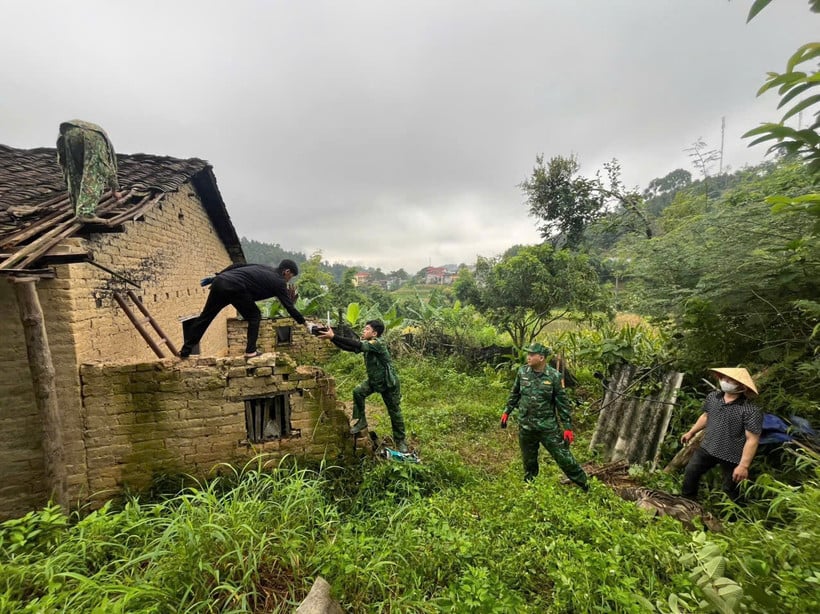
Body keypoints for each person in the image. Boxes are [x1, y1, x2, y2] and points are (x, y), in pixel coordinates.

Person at [501, 343, 589, 490]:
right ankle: (530, 487)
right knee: (529, 461)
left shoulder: (554, 376)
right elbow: (515, 393)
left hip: (547, 427)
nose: (528, 357)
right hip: (526, 426)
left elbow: (562, 404)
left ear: (541, 357)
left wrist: (567, 427)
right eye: (528, 354)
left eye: (531, 355)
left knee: (564, 458)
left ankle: (585, 485)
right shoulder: (522, 372)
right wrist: (506, 411)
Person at [180, 259, 308, 359]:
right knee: (255, 316)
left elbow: (237, 266)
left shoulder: (265, 268)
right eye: (291, 275)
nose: (290, 279)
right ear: (286, 271)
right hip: (235, 287)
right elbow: (289, 307)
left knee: (205, 317)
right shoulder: (279, 282)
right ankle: (250, 351)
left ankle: (185, 351)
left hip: (220, 282)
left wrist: (218, 276)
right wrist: (304, 322)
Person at [318, 320, 408, 453]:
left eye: (366, 329)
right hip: (374, 380)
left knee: (394, 411)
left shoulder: (377, 344)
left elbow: (357, 344)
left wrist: (334, 336)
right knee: (358, 392)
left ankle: (400, 440)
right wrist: (332, 339)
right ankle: (361, 420)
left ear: (374, 333)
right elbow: (350, 347)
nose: (363, 331)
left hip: (388, 382)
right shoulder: (367, 344)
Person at [680, 368, 763, 502]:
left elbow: (752, 439)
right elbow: (706, 416)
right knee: (691, 473)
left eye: (730, 380)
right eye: (724, 378)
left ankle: (734, 518)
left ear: (741, 386)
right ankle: (687, 503)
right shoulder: (713, 398)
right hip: (708, 446)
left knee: (731, 489)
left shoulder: (749, 410)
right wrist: (691, 432)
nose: (725, 381)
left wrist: (743, 466)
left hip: (733, 454)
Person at [56, 120, 122, 219]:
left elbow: (65, 166)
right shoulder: (103, 142)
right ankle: (85, 213)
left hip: (64, 134)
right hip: (91, 134)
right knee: (95, 172)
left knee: (74, 175)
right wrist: (114, 189)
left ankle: (77, 211)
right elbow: (109, 165)